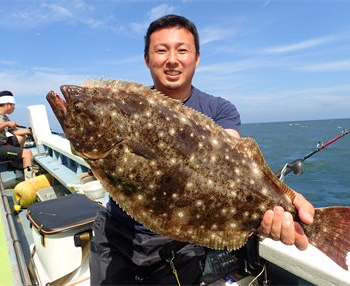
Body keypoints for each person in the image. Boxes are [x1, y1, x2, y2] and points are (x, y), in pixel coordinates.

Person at [89, 15, 315, 286]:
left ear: (196, 58)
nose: (172, 59)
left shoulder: (219, 110)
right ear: (147, 59)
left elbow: (230, 151)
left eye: (182, 50)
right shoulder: (128, 105)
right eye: (161, 50)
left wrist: (282, 198)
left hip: (182, 243)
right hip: (119, 235)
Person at [0, 90, 34, 180]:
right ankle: (29, 181)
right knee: (27, 153)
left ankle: (16, 161)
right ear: (7, 104)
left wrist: (29, 131)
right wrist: (6, 124)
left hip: (2, 144)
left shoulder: (3, 116)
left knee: (21, 137)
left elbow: (14, 131)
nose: (14, 108)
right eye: (13, 105)